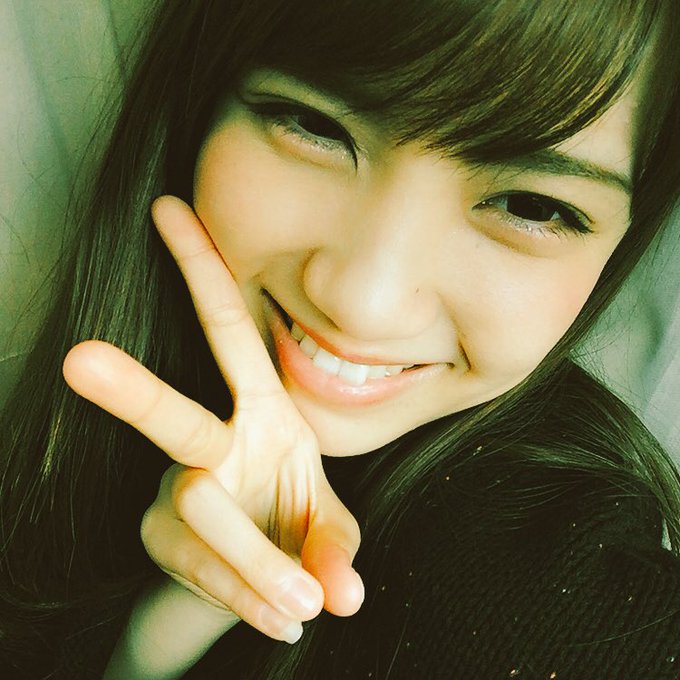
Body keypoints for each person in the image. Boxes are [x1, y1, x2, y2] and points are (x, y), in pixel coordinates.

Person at [1, 0, 680, 677]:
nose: (364, 304)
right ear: (199, 102)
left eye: (531, 207)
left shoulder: (573, 602)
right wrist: (158, 640)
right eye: (315, 126)